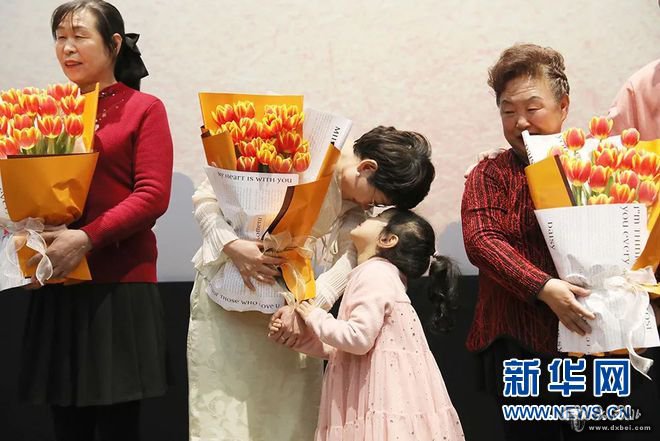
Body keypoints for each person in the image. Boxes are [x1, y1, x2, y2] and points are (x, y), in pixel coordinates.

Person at [187, 126, 435, 440]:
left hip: (290, 311)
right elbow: (206, 196)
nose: (370, 209)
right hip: (229, 294)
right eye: (375, 200)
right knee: (225, 411)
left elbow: (351, 255)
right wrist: (232, 245)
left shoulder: (353, 200)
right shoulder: (295, 144)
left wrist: (305, 308)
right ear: (366, 168)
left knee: (289, 418)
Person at [460, 43, 632, 441]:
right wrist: (543, 287)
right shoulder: (490, 173)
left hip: (596, 339)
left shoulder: (601, 164)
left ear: (563, 106)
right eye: (508, 111)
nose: (520, 122)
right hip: (519, 340)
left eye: (532, 108)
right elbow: (481, 239)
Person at [18, 1, 173, 440]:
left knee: (119, 424)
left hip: (119, 285)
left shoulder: (144, 108)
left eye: (79, 37)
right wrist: (26, 239)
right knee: (66, 423)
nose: (67, 48)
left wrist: (85, 238)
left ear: (114, 44)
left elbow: (152, 195)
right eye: (60, 38)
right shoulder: (47, 111)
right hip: (59, 280)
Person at [269, 208, 464, 440]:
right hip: (372, 393)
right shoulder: (379, 275)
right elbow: (351, 350)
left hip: (378, 396)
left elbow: (358, 339)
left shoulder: (375, 274)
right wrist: (303, 339)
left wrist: (315, 316)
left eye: (377, 218)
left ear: (388, 239)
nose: (368, 218)